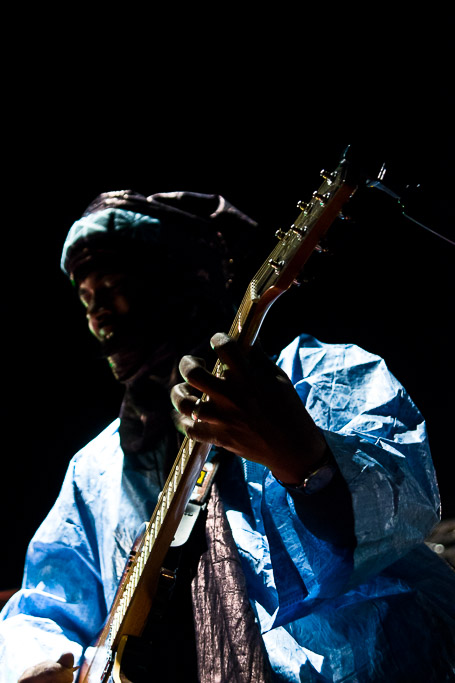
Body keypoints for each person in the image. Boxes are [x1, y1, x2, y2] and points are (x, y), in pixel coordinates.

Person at [1, 190, 454, 682]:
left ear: (179, 278)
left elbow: (409, 502)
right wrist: (35, 658)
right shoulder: (97, 468)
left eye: (112, 285)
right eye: (87, 299)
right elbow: (42, 605)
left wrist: (308, 459)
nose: (98, 314)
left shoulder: (318, 375)